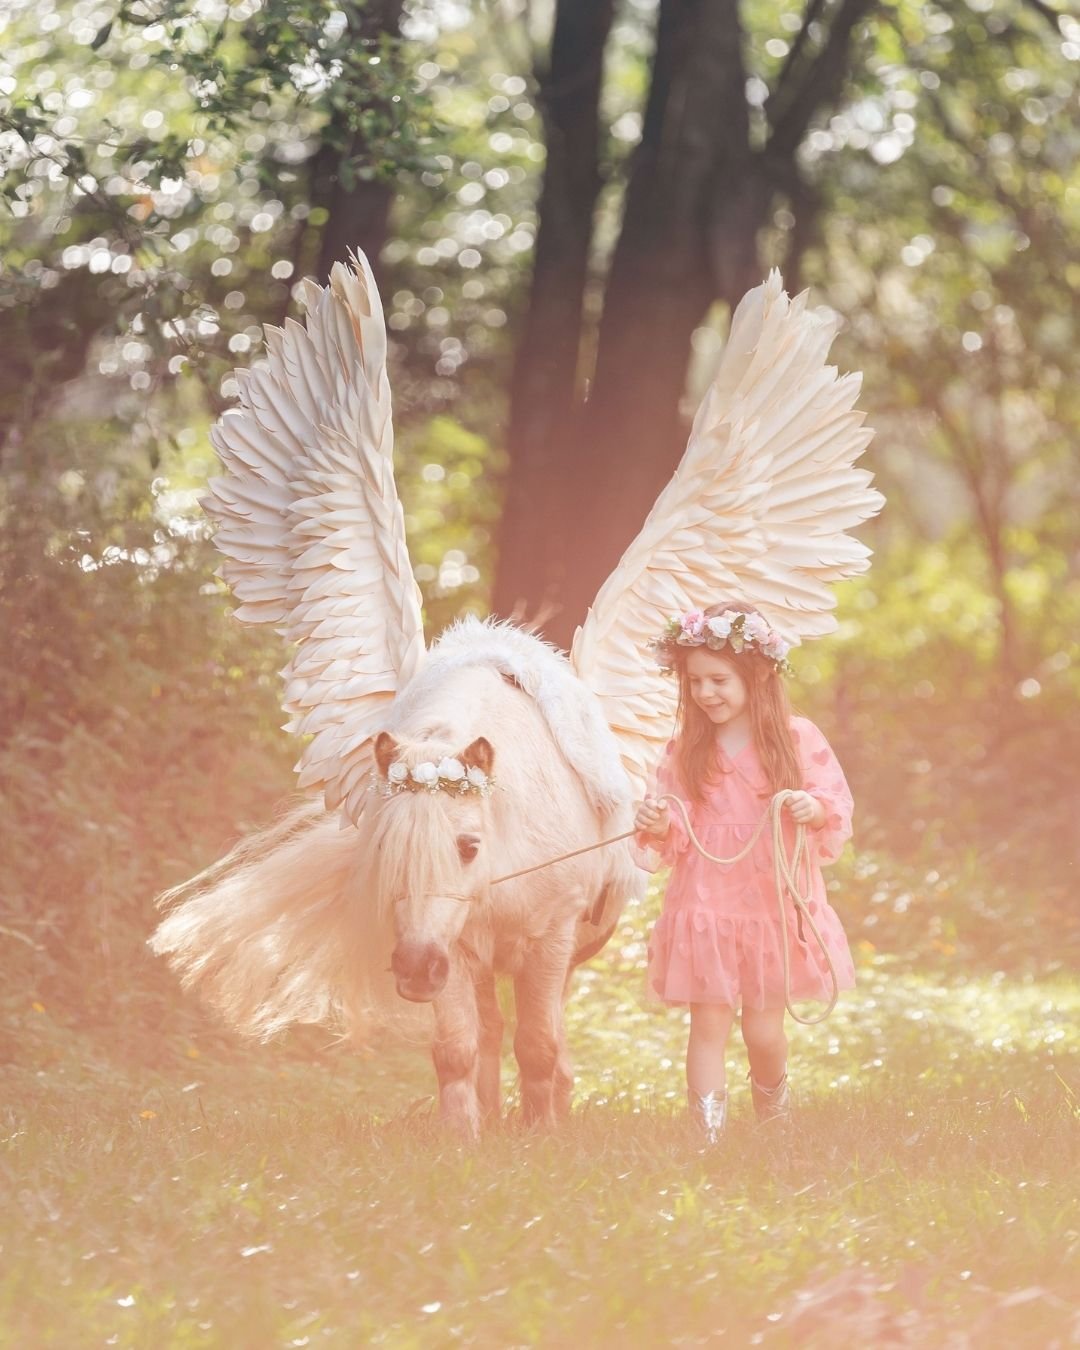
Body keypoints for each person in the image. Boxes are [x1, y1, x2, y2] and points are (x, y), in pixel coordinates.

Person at [633, 604, 857, 1141]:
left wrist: (812, 809)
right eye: (696, 682)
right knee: (706, 1025)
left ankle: (772, 1118)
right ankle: (706, 1136)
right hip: (706, 904)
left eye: (719, 680)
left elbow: (835, 804)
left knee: (762, 1028)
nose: (707, 693)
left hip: (771, 903)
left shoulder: (795, 737)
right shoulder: (687, 748)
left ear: (755, 677)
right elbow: (674, 829)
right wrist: (658, 822)